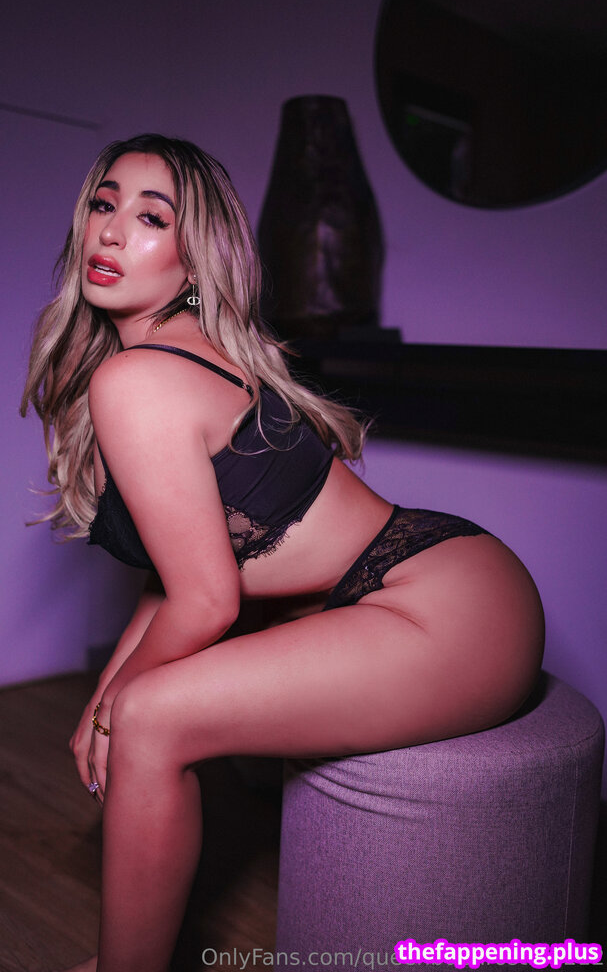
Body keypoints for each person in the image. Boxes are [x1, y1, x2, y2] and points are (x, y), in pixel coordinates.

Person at [21, 133, 544, 972]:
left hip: (444, 605)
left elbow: (207, 600)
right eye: (103, 205)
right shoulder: (175, 354)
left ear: (195, 259)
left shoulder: (137, 379)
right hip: (433, 579)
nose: (111, 232)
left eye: (152, 218)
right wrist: (106, 691)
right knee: (137, 709)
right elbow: (176, 571)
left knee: (149, 717)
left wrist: (117, 702)